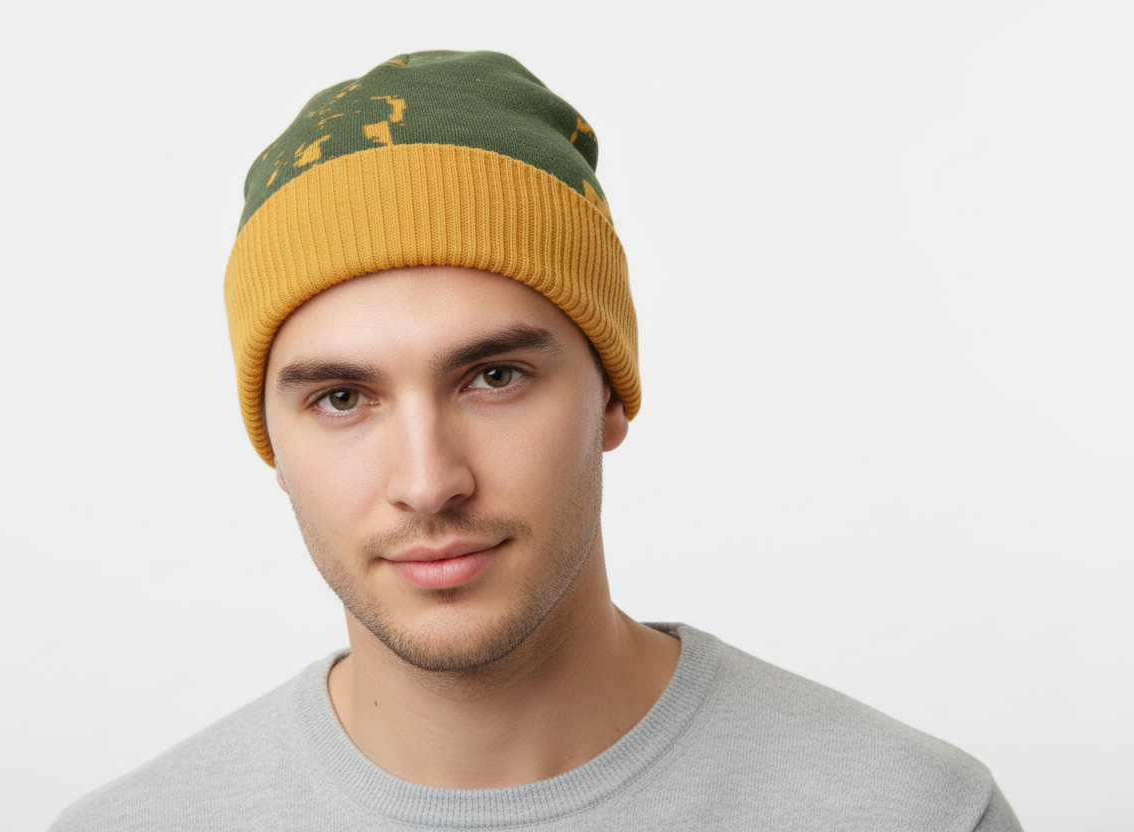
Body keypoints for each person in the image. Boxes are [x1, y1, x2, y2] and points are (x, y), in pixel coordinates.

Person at [49, 49, 1021, 831]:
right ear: (272, 439)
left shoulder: (912, 811)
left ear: (611, 396)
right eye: (343, 397)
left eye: (494, 377)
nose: (428, 481)